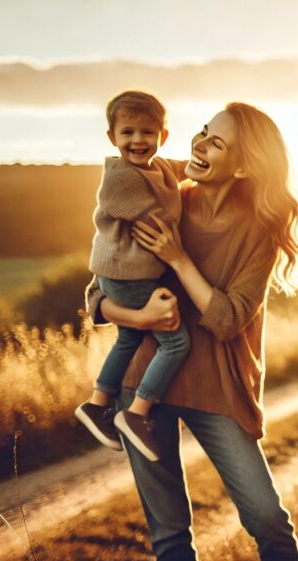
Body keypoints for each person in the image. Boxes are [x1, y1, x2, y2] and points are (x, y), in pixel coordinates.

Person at [84, 102, 298, 561]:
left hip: (220, 387)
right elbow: (96, 294)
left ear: (244, 165)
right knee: (169, 532)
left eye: (217, 142)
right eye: (203, 132)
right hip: (143, 383)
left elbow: (227, 318)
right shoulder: (161, 198)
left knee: (268, 520)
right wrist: (138, 315)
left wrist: (177, 257)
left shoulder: (260, 229)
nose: (199, 143)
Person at [75, 90, 190, 462]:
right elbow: (159, 223)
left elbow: (180, 169)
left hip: (122, 276)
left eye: (146, 132)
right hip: (129, 277)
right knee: (176, 343)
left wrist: (202, 168)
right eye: (127, 133)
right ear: (112, 138)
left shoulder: (155, 167)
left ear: (162, 136)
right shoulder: (121, 178)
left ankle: (98, 402)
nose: (137, 141)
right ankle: (136, 414)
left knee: (128, 338)